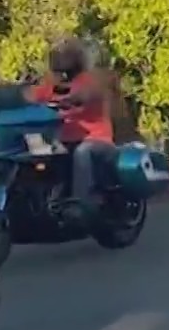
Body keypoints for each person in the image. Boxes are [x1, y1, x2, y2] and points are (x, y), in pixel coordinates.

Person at [24, 37, 132, 222]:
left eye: (65, 56)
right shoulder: (51, 85)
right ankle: (40, 200)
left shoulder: (89, 80)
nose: (60, 60)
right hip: (63, 141)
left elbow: (87, 93)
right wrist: (10, 100)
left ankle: (81, 203)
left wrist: (71, 99)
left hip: (96, 140)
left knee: (82, 152)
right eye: (58, 57)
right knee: (33, 146)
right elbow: (30, 95)